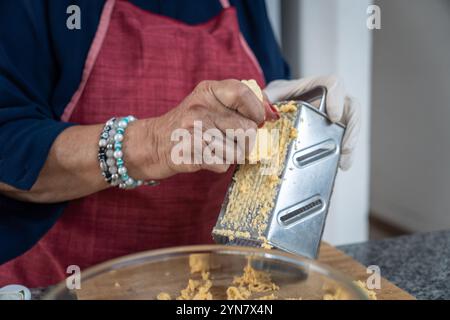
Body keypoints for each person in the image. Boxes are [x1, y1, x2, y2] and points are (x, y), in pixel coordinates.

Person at [0, 0, 360, 287]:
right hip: (68, 282)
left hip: (218, 284)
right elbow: (8, 143)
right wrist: (154, 144)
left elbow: (260, 108)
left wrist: (292, 116)